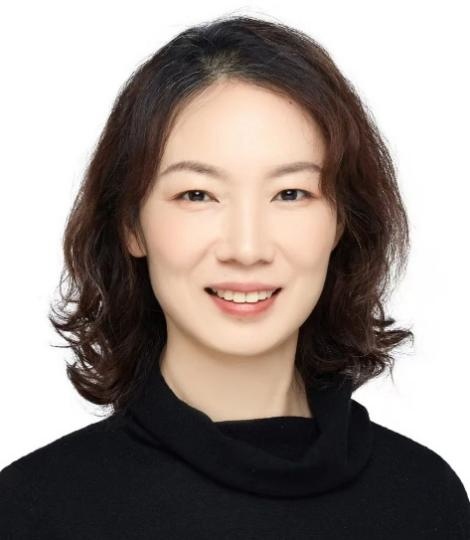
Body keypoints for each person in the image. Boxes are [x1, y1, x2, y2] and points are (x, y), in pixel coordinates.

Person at [1, 14, 469, 539]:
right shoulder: (33, 511)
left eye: (290, 194)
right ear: (131, 223)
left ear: (341, 221)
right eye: (197, 195)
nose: (247, 249)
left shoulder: (427, 499)